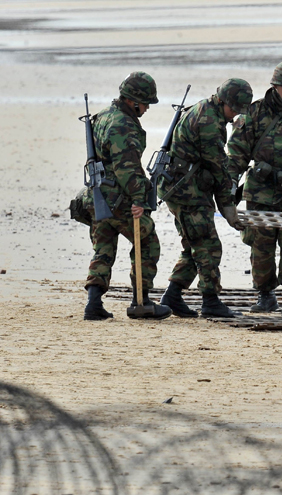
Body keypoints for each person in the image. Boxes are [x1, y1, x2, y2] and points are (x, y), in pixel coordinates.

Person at [157, 79, 252, 318]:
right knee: (208, 246)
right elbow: (219, 168)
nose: (235, 115)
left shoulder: (208, 111)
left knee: (194, 245)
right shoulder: (208, 121)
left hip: (186, 189)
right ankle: (210, 300)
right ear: (223, 101)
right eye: (234, 110)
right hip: (187, 193)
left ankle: (173, 295)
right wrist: (228, 208)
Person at [227, 62, 282, 314]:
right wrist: (231, 184)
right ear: (275, 86)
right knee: (261, 245)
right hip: (260, 189)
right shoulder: (255, 112)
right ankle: (264, 295)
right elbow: (238, 154)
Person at [84, 72, 171, 321]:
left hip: (98, 194)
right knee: (147, 242)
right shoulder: (124, 123)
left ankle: (93, 303)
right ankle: (140, 301)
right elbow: (127, 168)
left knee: (103, 248)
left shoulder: (102, 117)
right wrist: (138, 200)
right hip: (119, 198)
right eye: (145, 104)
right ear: (134, 101)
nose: (146, 109)